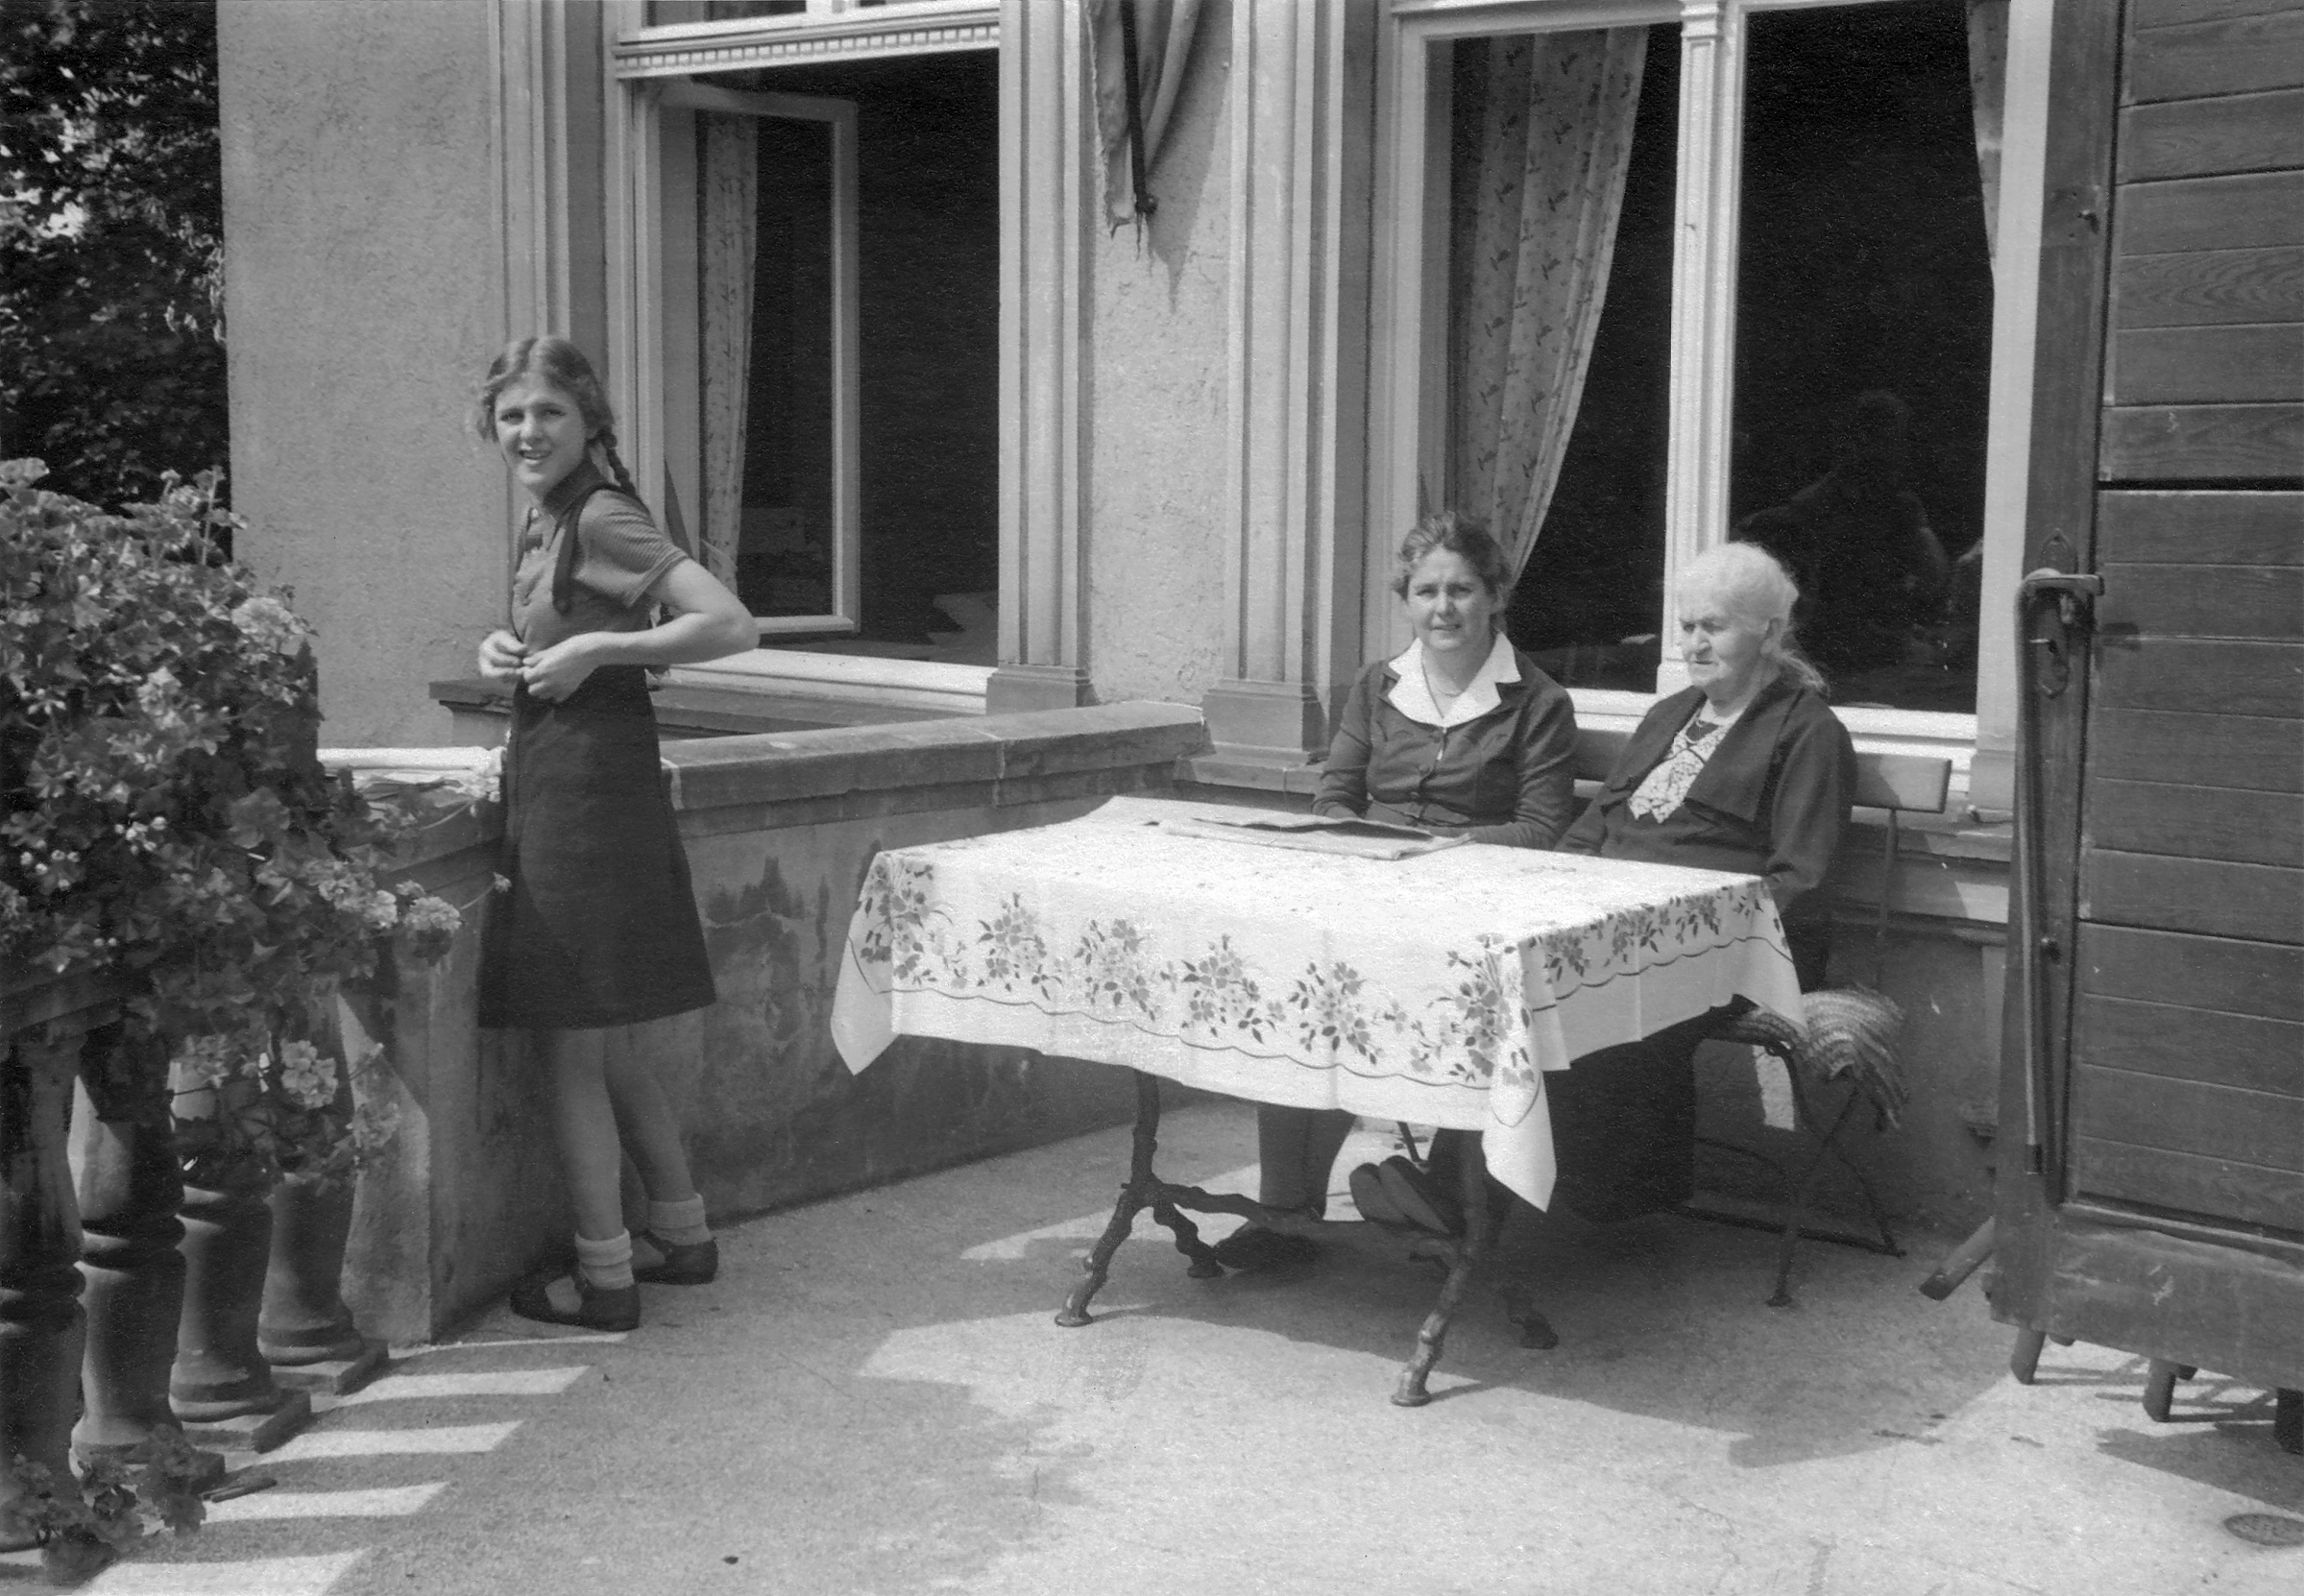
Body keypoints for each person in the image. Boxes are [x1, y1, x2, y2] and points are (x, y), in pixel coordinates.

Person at [1379, 541, 1855, 1233]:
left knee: (1576, 1003)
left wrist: (1695, 924)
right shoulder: (1670, 717)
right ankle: (1473, 1189)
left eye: (1712, 626)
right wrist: (1550, 887)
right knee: (1505, 984)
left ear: (1770, 633)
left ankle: (1467, 1201)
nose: (1692, 643)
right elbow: (1597, 822)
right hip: (1613, 924)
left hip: (1738, 944)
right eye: (1686, 626)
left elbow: (1801, 881)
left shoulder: (1806, 731)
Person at [473, 336, 759, 1330]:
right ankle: (679, 1234)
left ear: (588, 420)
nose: (527, 431)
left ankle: (603, 1279)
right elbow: (559, 637)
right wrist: (508, 646)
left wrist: (599, 645)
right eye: (510, 416)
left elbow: (729, 624)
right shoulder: (550, 515)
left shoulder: (598, 512)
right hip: (584, 786)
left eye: (547, 412)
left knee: (568, 1050)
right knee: (617, 1045)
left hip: (589, 801)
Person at [1211, 513, 1580, 1271]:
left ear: (1494, 597)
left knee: (1360, 1008)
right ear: (1405, 600)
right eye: (1425, 592)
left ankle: (1422, 1205)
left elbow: (1542, 828)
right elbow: (1334, 796)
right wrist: (1359, 845)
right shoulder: (1377, 686)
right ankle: (1285, 1214)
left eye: (1460, 590)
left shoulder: (1537, 700)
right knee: (1293, 1011)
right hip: (1368, 889)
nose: (1442, 608)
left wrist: (1447, 850)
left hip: (1474, 903)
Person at [1733, 390, 1952, 684]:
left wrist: (1918, 529)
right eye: (1889, 442)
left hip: (1877, 661)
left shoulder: (1895, 510)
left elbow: (1930, 585)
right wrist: (1899, 648)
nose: (1899, 456)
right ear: (1854, 444)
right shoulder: (1814, 515)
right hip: (1839, 676)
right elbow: (1820, 624)